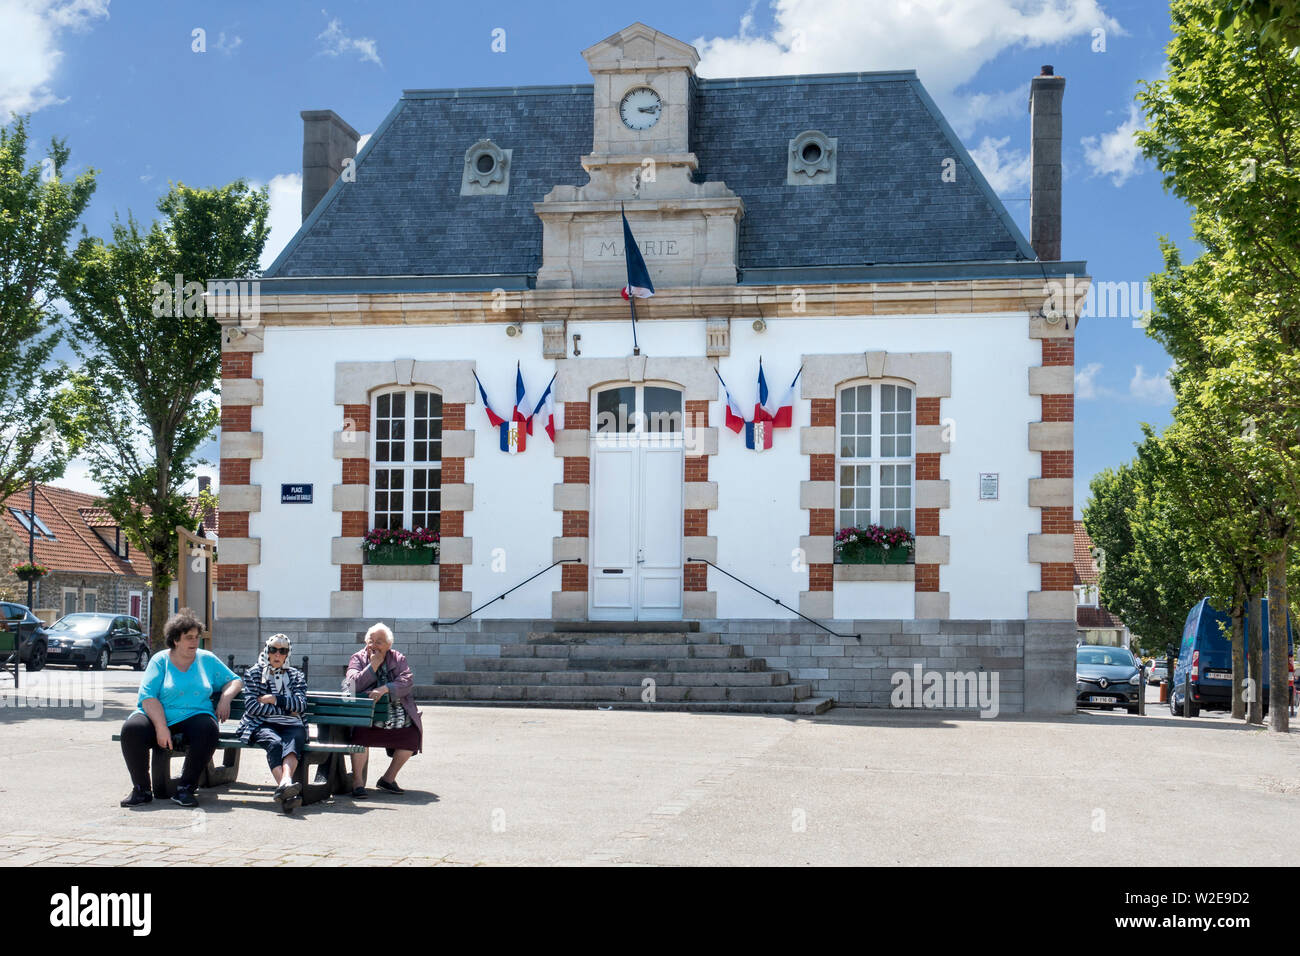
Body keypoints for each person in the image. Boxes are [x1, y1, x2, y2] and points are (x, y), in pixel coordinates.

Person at [119, 609, 242, 808]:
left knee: (208, 729)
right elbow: (148, 697)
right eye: (188, 638)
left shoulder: (207, 659)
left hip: (195, 714)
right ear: (175, 640)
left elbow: (235, 681)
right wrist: (161, 727)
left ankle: (186, 788)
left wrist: (225, 699)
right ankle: (141, 790)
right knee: (132, 729)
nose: (194, 642)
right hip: (159, 714)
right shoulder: (160, 660)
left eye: (196, 637)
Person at [345, 623, 422, 798]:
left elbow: (407, 681)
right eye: (371, 641)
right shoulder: (358, 658)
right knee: (359, 737)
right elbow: (351, 686)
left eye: (379, 642)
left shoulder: (398, 658)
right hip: (367, 714)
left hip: (397, 714)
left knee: (412, 737)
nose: (374, 645)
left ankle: (388, 779)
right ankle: (357, 783)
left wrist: (386, 688)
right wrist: (372, 666)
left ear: (389, 645)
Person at [238, 634, 309, 812]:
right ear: (267, 651)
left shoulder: (296, 675)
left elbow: (301, 705)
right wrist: (286, 706)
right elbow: (252, 707)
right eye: (273, 650)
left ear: (287, 654)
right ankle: (288, 790)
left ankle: (285, 786)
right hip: (261, 723)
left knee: (292, 744)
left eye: (282, 651)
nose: (277, 654)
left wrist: (274, 699)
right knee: (275, 743)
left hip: (292, 724)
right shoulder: (254, 673)